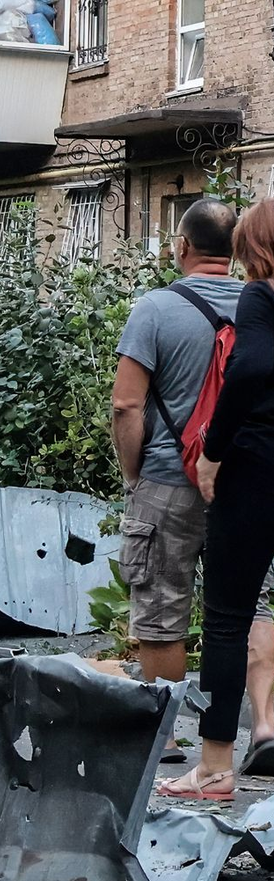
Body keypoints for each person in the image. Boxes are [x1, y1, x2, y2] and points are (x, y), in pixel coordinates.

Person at [111, 198, 274, 770]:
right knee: (250, 607)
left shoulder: (156, 308)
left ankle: (168, 739)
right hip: (253, 478)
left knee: (162, 607)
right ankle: (262, 728)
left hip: (170, 478)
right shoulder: (264, 301)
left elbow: (127, 404)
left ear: (182, 247)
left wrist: (136, 473)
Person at [160, 198, 274, 799]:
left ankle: (215, 769)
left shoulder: (261, 295)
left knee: (228, 619)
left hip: (256, 469)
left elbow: (249, 370)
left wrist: (213, 452)